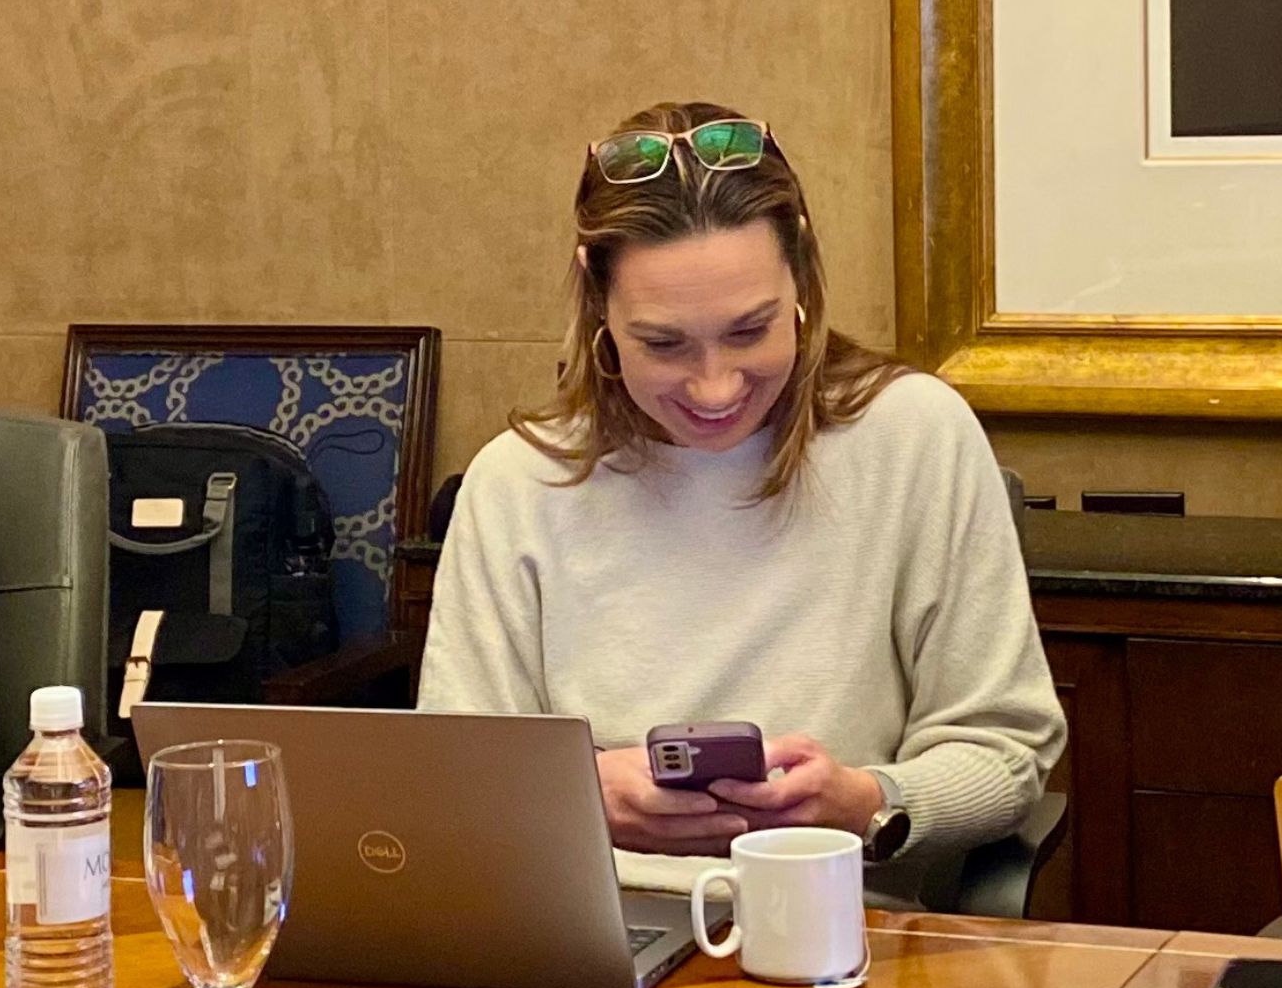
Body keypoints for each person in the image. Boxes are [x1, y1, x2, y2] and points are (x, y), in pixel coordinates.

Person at [417, 101, 1065, 907]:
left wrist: (866, 805)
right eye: (664, 344)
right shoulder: (517, 483)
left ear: (802, 280)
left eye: (751, 330)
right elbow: (456, 788)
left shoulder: (911, 437)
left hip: (835, 925)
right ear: (598, 306)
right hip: (586, 926)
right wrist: (582, 798)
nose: (716, 386)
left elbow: (1006, 754)